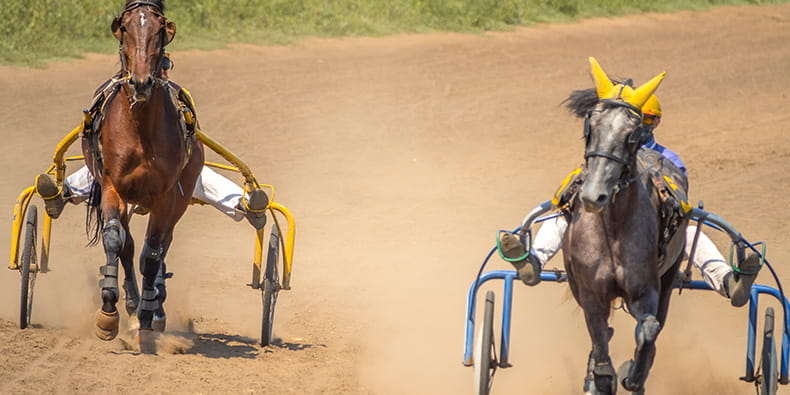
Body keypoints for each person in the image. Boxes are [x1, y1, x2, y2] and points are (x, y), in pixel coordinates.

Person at [500, 93, 761, 307]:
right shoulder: (607, 149)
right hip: (600, 231)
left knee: (693, 235)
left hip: (650, 236)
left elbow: (679, 197)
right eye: (637, 119)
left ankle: (728, 282)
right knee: (560, 220)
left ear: (656, 122)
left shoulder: (670, 159)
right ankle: (532, 262)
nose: (641, 125)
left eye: (647, 119)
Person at [35, 52, 268, 230]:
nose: (162, 71)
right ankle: (63, 193)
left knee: (196, 173)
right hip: (124, 164)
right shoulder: (117, 93)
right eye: (160, 66)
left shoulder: (178, 94)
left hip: (170, 167)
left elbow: (193, 138)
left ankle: (243, 203)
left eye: (165, 65)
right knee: (104, 169)